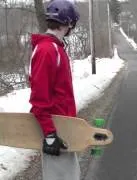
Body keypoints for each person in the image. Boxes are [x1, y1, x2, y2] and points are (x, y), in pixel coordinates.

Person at [28, 0, 80, 179]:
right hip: (56, 130)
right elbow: (39, 98)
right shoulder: (47, 50)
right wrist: (50, 134)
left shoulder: (55, 48)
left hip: (64, 127)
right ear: (68, 23)